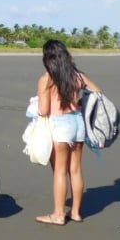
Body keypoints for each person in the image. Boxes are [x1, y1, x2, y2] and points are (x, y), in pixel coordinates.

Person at [35, 39, 99, 226]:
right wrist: (79, 103)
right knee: (76, 170)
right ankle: (76, 213)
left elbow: (44, 110)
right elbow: (97, 94)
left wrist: (35, 106)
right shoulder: (78, 76)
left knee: (60, 172)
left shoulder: (46, 79)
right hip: (78, 123)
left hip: (59, 125)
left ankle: (58, 214)